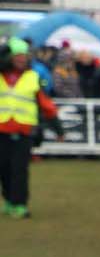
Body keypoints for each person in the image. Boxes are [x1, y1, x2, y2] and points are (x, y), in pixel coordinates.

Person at [1, 36, 59, 218]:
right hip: (1, 131)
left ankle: (19, 204)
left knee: (19, 169)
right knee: (4, 169)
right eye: (18, 55)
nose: (21, 59)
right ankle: (9, 200)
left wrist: (58, 127)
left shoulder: (33, 77)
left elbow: (45, 104)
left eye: (24, 56)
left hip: (23, 132)